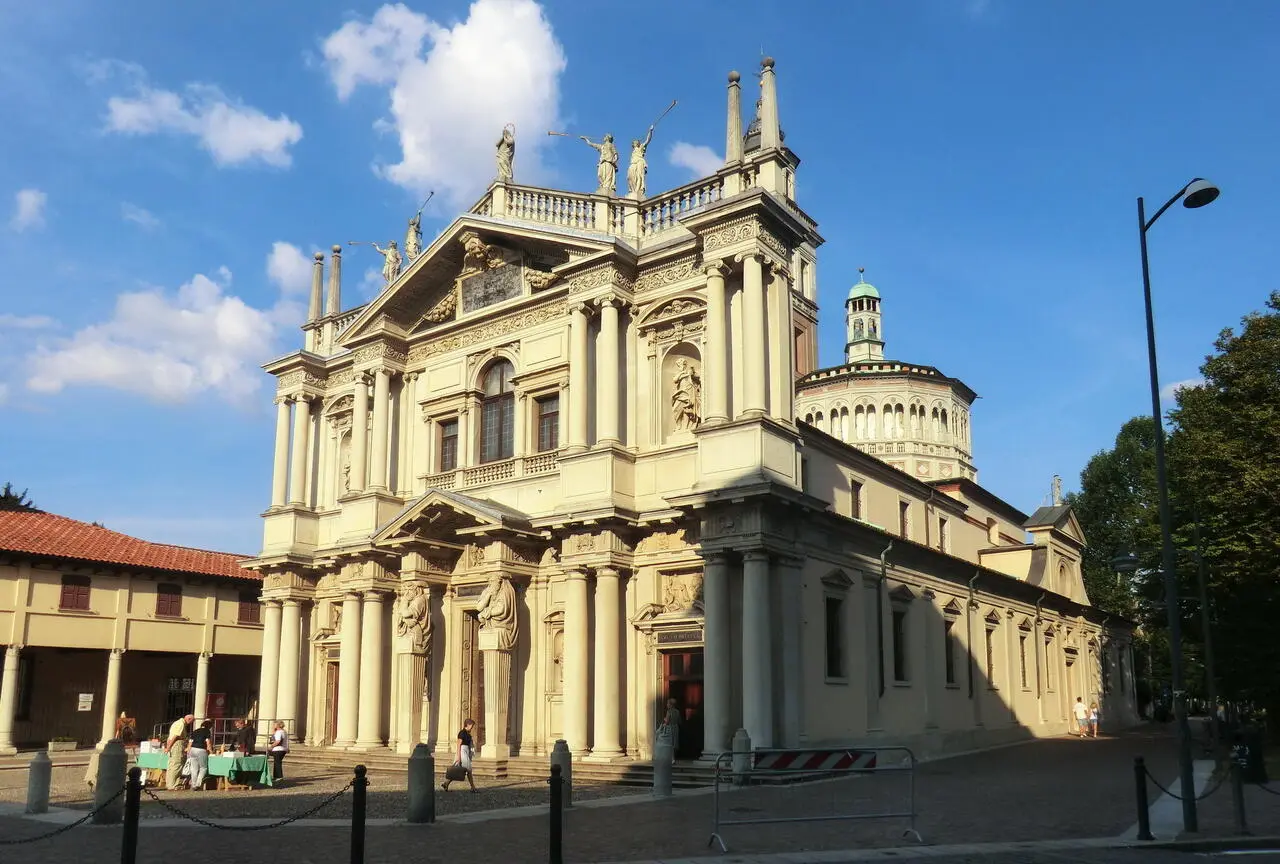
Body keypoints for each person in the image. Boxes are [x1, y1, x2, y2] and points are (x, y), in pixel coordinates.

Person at [441, 718, 478, 793]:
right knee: (468, 770)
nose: (472, 727)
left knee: (456, 770)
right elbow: (458, 745)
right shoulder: (462, 733)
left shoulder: (468, 733)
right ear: (468, 725)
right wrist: (458, 756)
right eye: (472, 725)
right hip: (462, 751)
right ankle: (473, 787)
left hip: (466, 751)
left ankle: (446, 783)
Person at [164, 713, 194, 790]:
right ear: (189, 719)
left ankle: (170, 784)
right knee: (177, 765)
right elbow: (175, 736)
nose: (191, 724)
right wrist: (168, 747)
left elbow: (170, 736)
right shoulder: (181, 724)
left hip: (174, 744)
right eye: (192, 721)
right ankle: (173, 785)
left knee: (172, 765)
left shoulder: (176, 723)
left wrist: (168, 746)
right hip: (177, 745)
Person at [187, 720, 213, 790]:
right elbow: (208, 743)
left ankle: (193, 784)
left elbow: (190, 743)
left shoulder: (195, 731)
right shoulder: (207, 731)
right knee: (203, 768)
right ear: (209, 726)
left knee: (194, 768)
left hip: (192, 750)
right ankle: (198, 784)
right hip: (201, 750)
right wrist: (211, 752)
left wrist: (188, 751)